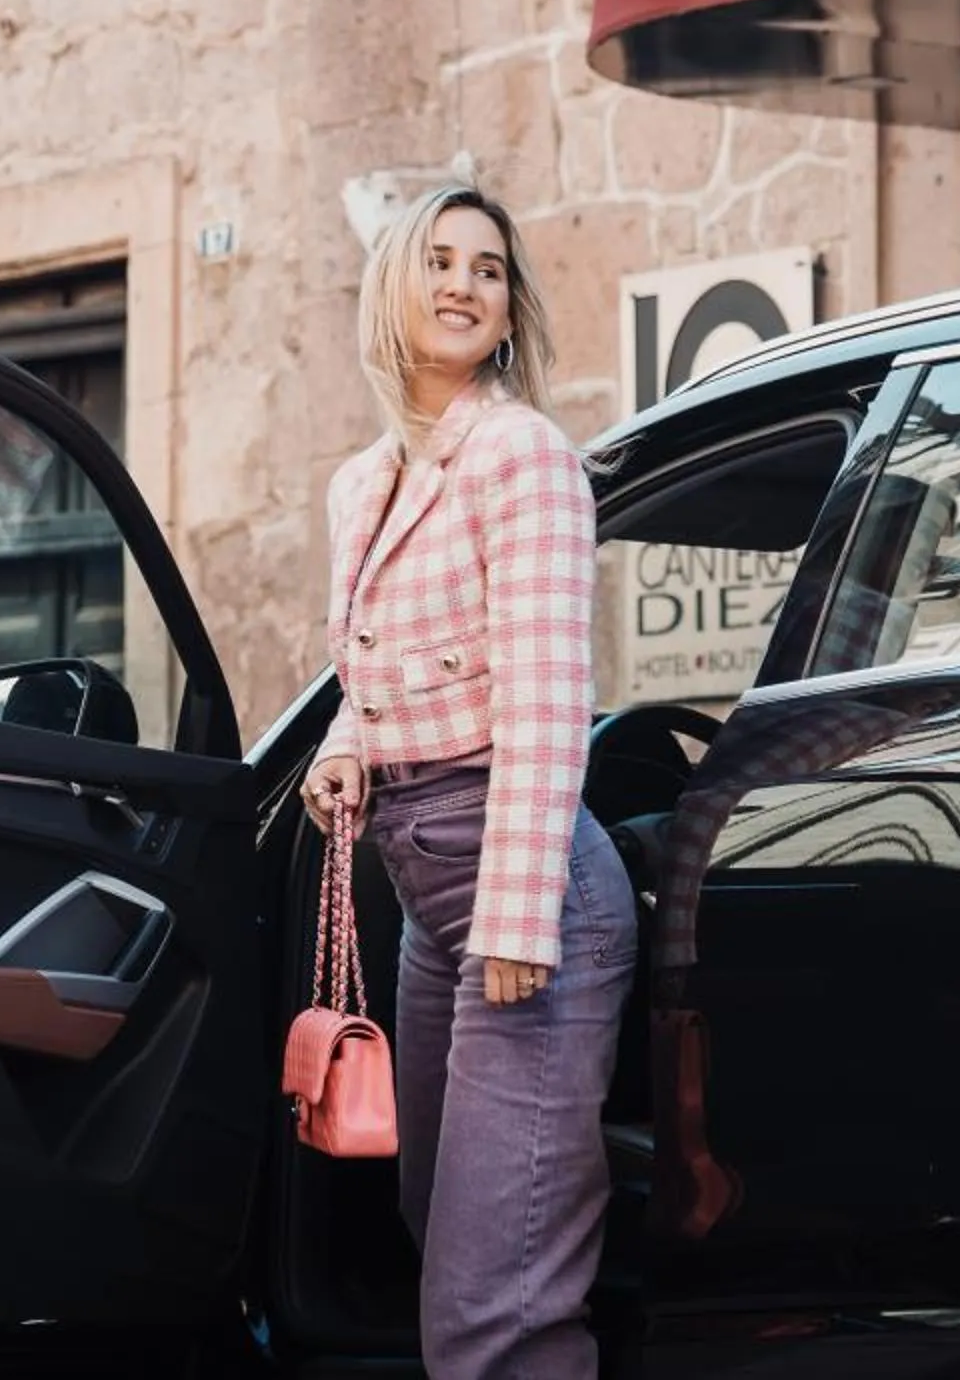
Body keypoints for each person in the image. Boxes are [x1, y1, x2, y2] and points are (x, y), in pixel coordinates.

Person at [300, 184, 635, 1380]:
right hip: (429, 901)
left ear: (509, 306)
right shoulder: (363, 482)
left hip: (526, 891)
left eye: (488, 268)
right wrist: (344, 743)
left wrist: (518, 914)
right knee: (435, 1221)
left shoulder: (522, 452)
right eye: (439, 259)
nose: (463, 283)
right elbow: (373, 661)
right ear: (393, 284)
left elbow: (544, 692)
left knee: (496, 1297)